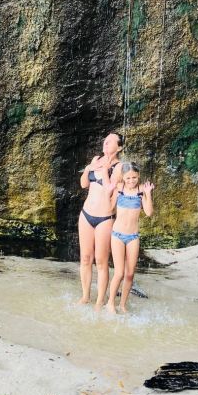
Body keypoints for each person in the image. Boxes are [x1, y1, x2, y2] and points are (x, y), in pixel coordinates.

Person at [78, 131, 125, 308]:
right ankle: (85, 297)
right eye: (105, 140)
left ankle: (99, 301)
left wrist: (104, 171)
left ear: (119, 147)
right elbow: (84, 184)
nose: (106, 142)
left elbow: (109, 192)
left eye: (111, 141)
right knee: (85, 258)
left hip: (105, 217)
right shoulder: (96, 159)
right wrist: (89, 168)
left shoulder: (119, 167)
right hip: (86, 214)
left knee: (101, 261)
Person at [106, 162, 154, 315]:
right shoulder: (119, 188)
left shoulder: (141, 191)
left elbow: (149, 213)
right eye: (128, 178)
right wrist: (109, 192)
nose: (131, 180)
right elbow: (109, 208)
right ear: (123, 177)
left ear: (138, 176)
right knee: (119, 272)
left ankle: (123, 305)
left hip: (133, 236)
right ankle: (110, 303)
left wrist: (148, 194)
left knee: (130, 274)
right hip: (117, 235)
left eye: (134, 177)